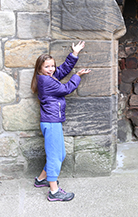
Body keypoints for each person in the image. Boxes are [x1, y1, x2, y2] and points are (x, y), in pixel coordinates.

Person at [30, 41, 91, 202]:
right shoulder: (46, 81)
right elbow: (66, 89)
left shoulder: (47, 77)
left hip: (52, 121)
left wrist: (74, 54)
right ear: (40, 69)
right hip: (51, 122)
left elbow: (62, 70)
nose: (51, 69)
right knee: (55, 156)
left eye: (52, 66)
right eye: (47, 67)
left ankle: (41, 179)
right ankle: (54, 192)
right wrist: (77, 76)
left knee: (60, 154)